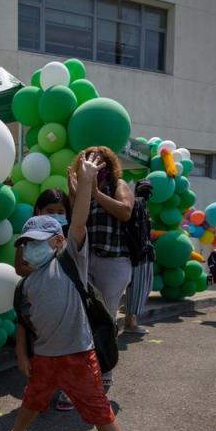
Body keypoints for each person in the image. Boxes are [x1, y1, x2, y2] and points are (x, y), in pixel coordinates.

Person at [0, 152, 132, 431]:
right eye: (25, 244)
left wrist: (85, 184)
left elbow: (79, 220)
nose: (29, 250)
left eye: (37, 244)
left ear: (57, 241)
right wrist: (23, 353)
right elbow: (24, 321)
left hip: (79, 356)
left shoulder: (70, 259)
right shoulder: (27, 284)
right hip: (46, 359)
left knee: (99, 410)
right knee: (33, 399)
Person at [69, 146, 134, 392]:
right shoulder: (85, 187)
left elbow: (126, 212)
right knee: (81, 316)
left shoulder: (118, 185)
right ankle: (81, 370)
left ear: (108, 166)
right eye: (88, 161)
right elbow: (75, 220)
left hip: (113, 262)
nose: (96, 166)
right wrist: (77, 192)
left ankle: (104, 369)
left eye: (100, 162)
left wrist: (95, 192)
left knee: (105, 317)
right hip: (85, 259)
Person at [15, 188, 76, 411]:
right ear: (38, 210)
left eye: (61, 211)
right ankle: (39, 385)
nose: (56, 214)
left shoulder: (68, 239)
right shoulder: (28, 236)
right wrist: (41, 274)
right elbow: (19, 266)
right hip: (34, 297)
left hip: (62, 302)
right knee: (37, 342)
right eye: (50, 210)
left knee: (65, 343)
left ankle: (66, 388)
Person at [123, 180, 154, 334]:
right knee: (137, 287)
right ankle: (130, 323)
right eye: (144, 190)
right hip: (139, 253)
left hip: (143, 252)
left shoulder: (141, 206)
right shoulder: (137, 204)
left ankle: (132, 320)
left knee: (141, 287)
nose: (146, 194)